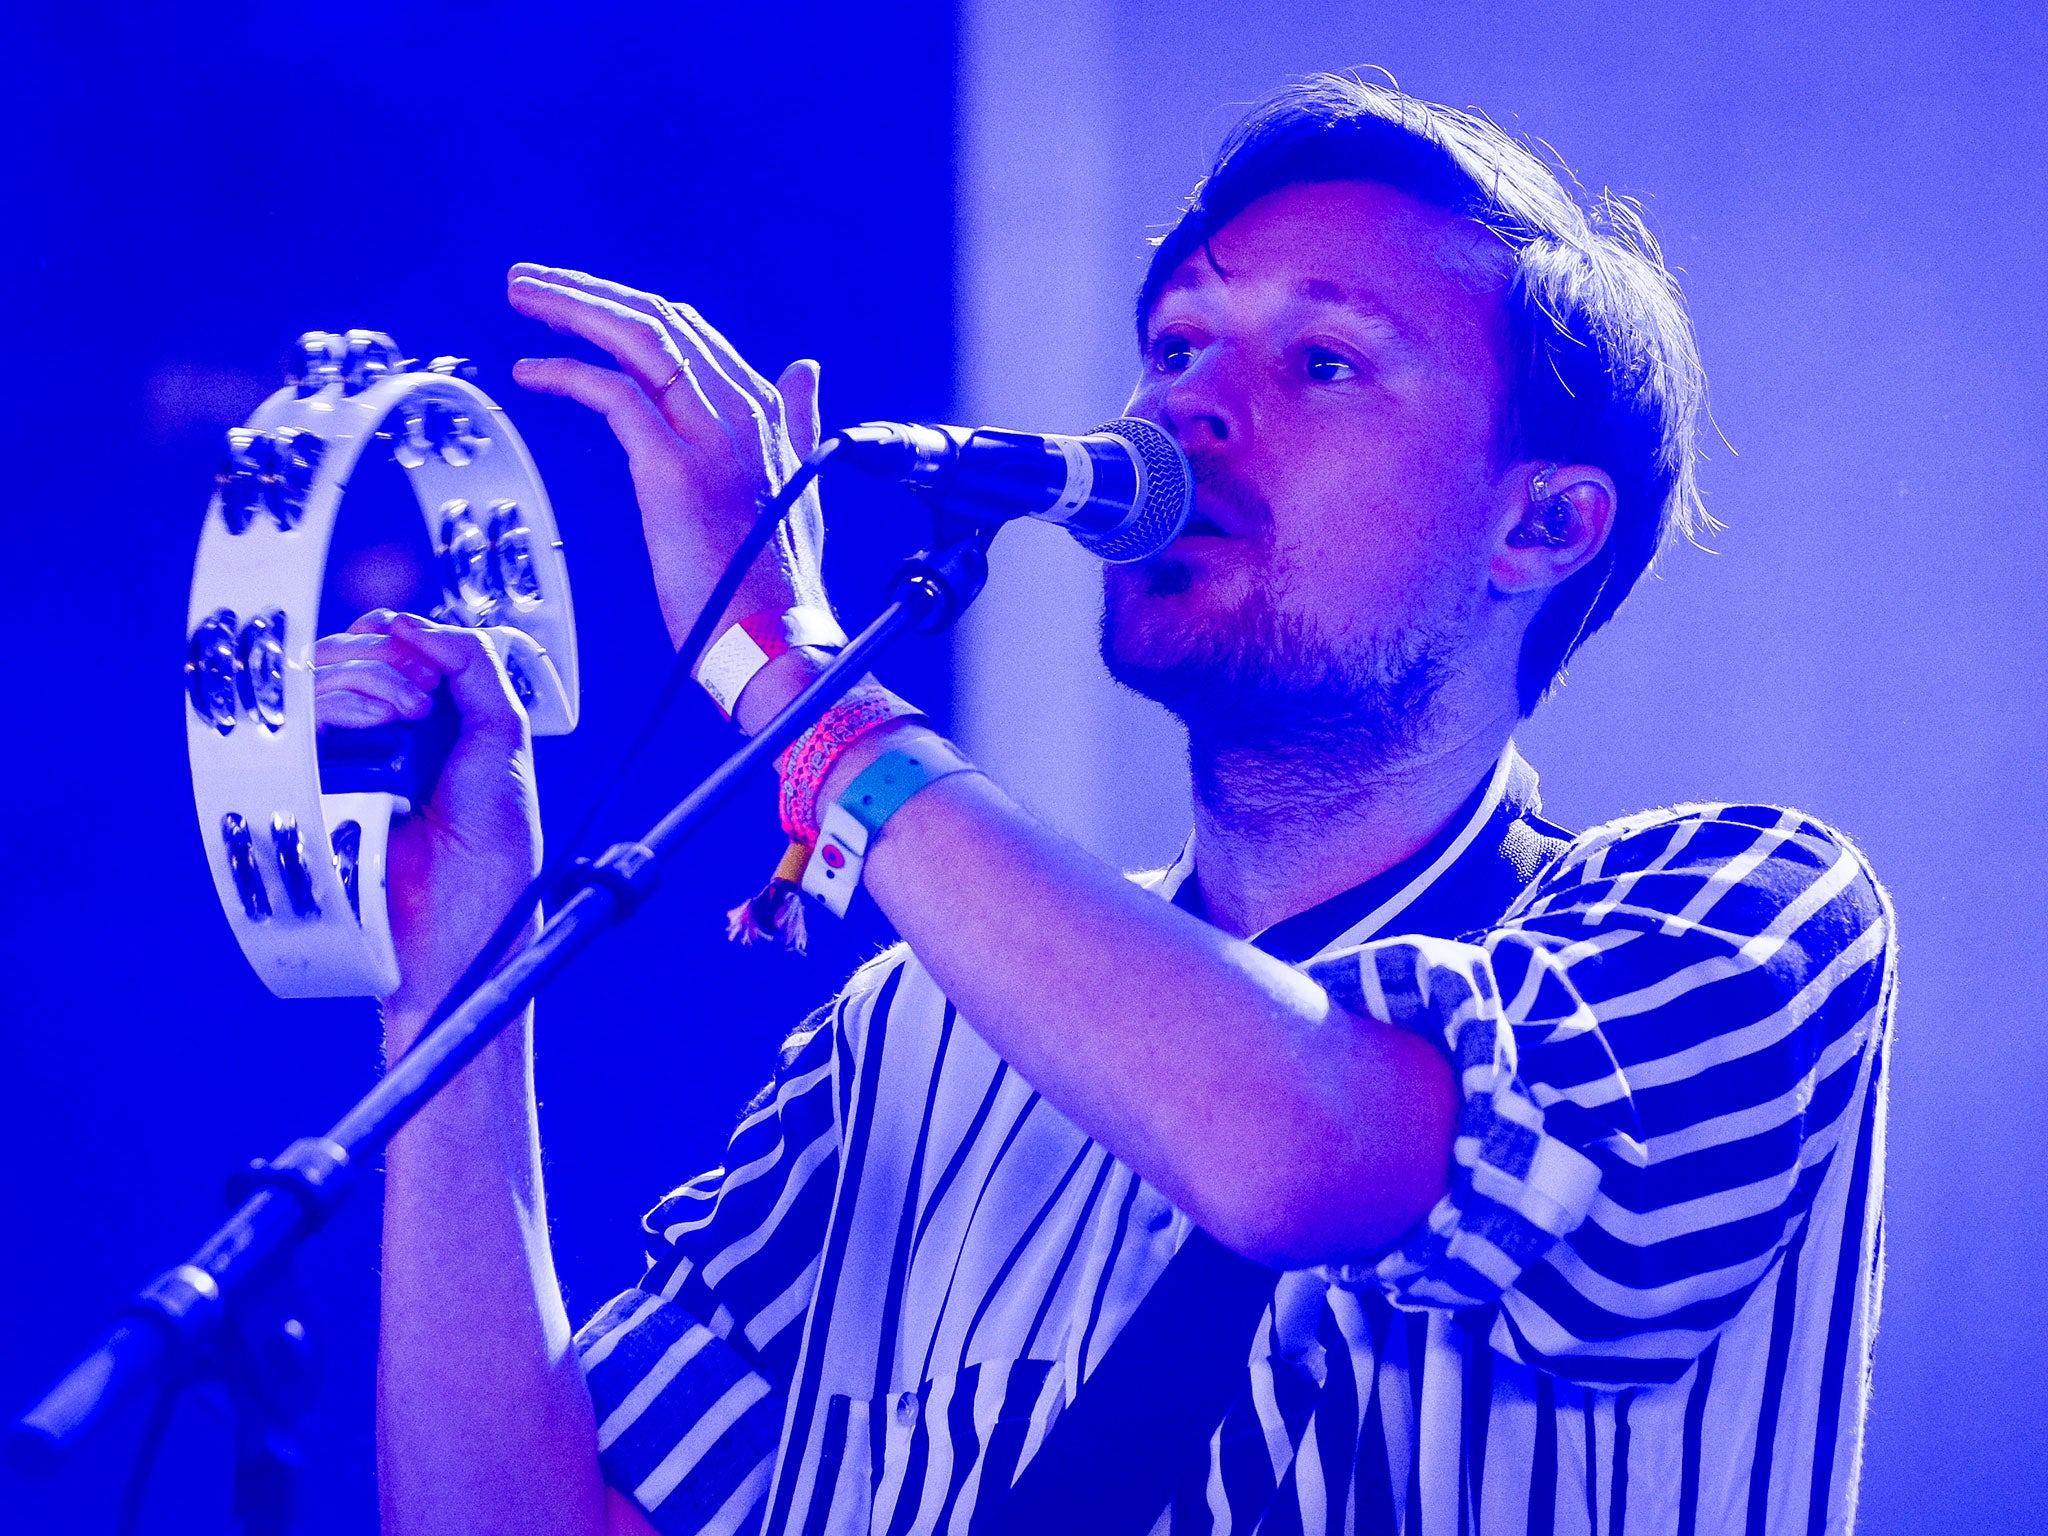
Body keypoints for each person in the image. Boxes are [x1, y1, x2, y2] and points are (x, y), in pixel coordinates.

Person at [330, 77, 1894, 1536]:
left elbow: (1300, 1149)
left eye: (1325, 361)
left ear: (1543, 523)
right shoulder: (913, 1025)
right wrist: (460, 980)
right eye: (1177, 346)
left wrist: (798, 687)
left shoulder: (1752, 917)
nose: (1189, 410)